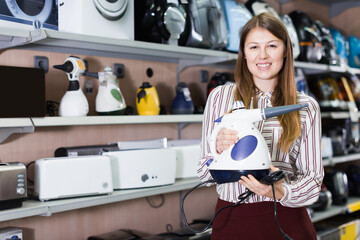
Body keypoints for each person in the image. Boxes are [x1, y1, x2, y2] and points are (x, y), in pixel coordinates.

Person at [198, 12, 323, 240]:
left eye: (272, 46)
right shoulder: (219, 97)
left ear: (285, 51)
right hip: (230, 220)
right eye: (254, 47)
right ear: (244, 54)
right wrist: (217, 149)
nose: (262, 55)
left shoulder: (306, 107)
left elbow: (313, 182)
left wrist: (281, 191)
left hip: (285, 219)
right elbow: (203, 172)